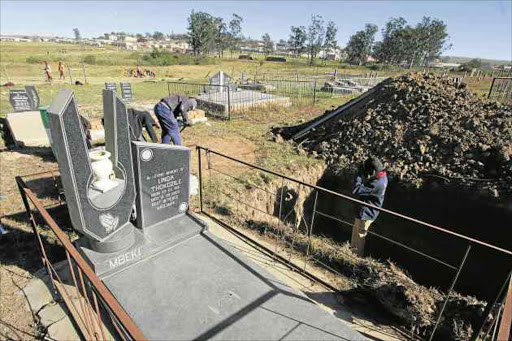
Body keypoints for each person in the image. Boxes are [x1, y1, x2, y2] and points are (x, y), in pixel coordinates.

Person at [351, 157, 388, 257]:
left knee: (359, 238)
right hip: (367, 211)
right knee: (355, 235)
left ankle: (355, 259)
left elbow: (356, 189)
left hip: (366, 214)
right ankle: (351, 253)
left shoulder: (376, 184)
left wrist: (358, 174)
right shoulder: (382, 176)